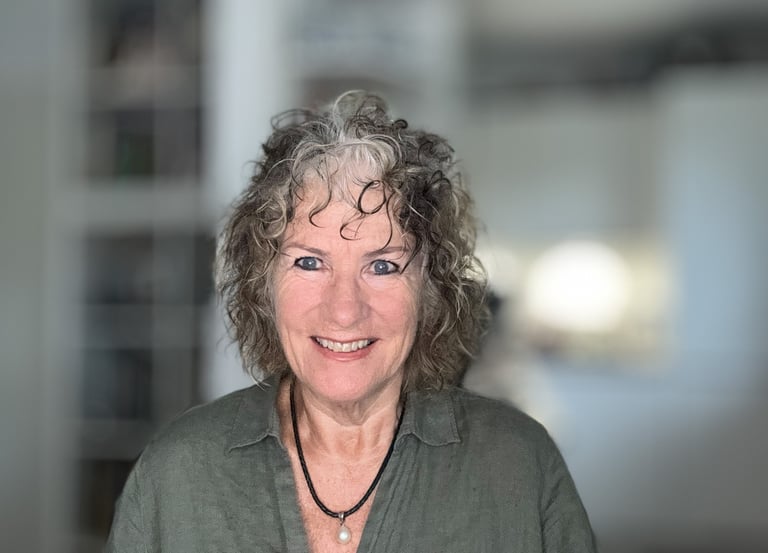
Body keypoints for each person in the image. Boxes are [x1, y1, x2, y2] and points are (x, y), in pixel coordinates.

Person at [105, 91, 597, 552]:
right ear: (263, 285)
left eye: (382, 265)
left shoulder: (519, 464)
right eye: (309, 262)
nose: (344, 310)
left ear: (431, 290)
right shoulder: (177, 472)